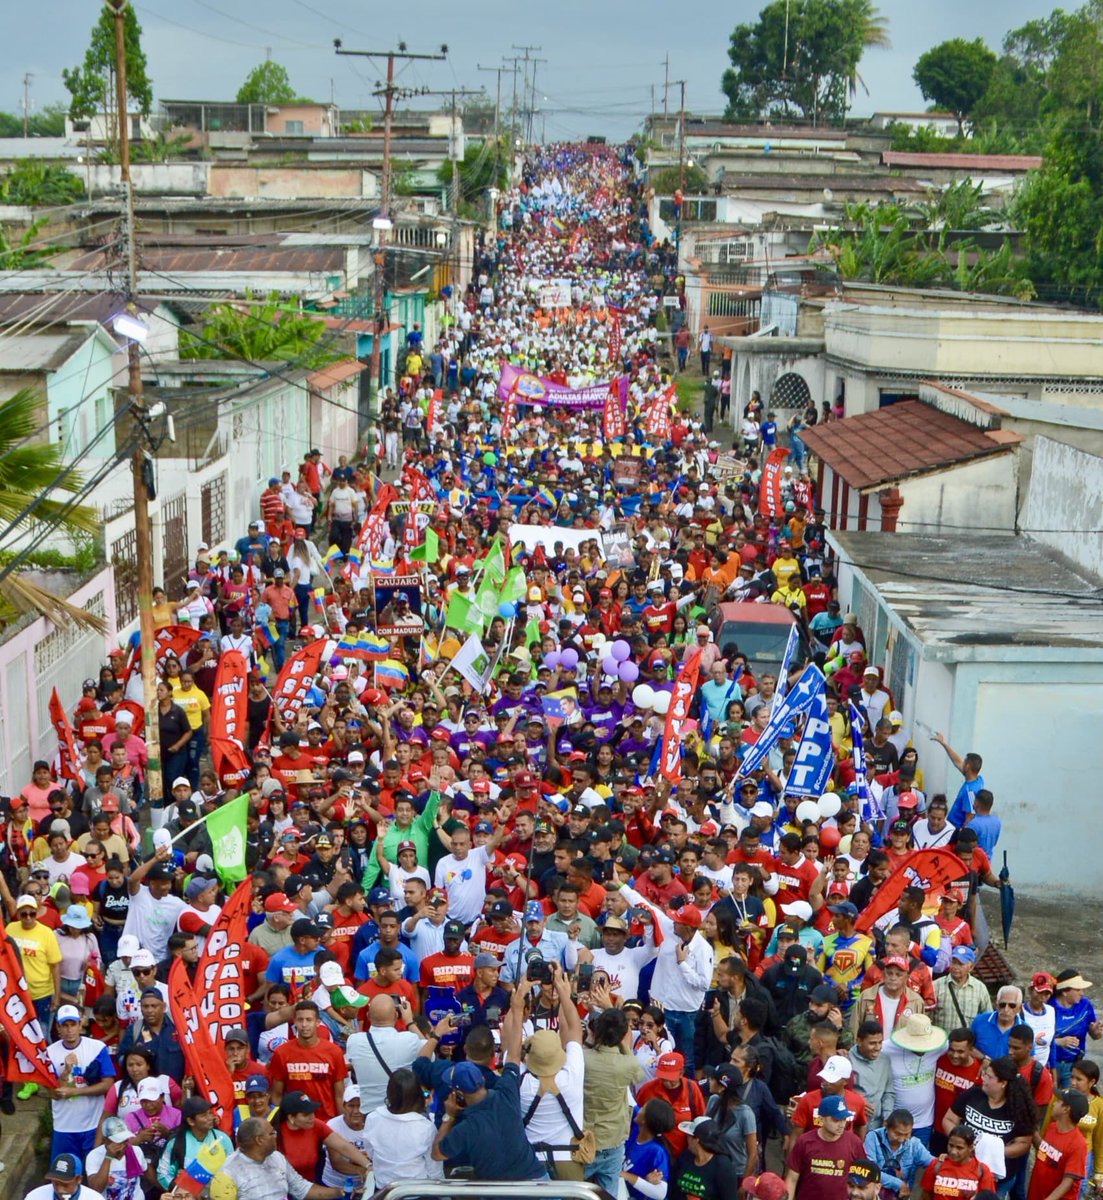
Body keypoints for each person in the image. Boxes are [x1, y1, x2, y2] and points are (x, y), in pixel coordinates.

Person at [517, 965, 587, 1180]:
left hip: (530, 1162)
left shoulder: (521, 1082)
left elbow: (511, 1042)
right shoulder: (571, 1076)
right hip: (567, 1159)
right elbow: (573, 1030)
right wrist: (564, 992)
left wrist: (520, 994)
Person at [944, 1056, 1038, 1198]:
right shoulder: (973, 1094)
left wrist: (994, 1152)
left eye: (989, 1077)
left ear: (1003, 1083)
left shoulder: (1017, 1107)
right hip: (964, 1173)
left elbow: (1024, 1143)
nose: (984, 1079)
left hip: (999, 1180)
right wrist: (961, 1145)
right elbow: (949, 1119)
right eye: (985, 1074)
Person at [584, 1004, 646, 1194]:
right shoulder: (628, 1063)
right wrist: (624, 1044)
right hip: (613, 1140)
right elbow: (639, 1076)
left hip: (584, 1140)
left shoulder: (582, 1057)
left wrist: (590, 1040)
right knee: (609, 1195)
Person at [46, 1003, 116, 1160]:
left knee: (92, 1172)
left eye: (73, 1024)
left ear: (80, 1024)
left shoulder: (97, 1048)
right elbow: (54, 1093)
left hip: (92, 1125)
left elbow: (108, 1084)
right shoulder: (49, 1053)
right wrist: (65, 1072)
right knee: (63, 1175)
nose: (69, 1030)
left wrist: (75, 1091)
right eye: (65, 1025)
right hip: (64, 1126)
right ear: (58, 1027)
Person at [218, 1116, 345, 1200]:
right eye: (272, 1133)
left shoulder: (277, 1158)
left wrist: (340, 1192)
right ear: (259, 1140)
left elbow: (301, 1188)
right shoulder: (228, 1172)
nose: (276, 1136)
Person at [268, 1000, 348, 1119]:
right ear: (294, 1022)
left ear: (318, 1022)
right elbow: (277, 1095)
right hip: (295, 1122)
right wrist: (278, 1124)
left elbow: (339, 1096)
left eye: (309, 1020)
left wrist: (342, 1124)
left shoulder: (334, 1052)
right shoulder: (281, 1053)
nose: (304, 1025)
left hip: (326, 1121)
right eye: (300, 1020)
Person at [346, 994, 425, 1115]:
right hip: (402, 1113)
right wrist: (409, 1022)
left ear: (368, 1016)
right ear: (396, 1015)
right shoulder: (409, 1040)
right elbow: (429, 1054)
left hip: (370, 1116)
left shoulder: (354, 1041)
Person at [785, 1092, 867, 1200]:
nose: (842, 1124)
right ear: (822, 1119)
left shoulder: (854, 1143)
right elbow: (792, 1179)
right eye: (836, 1120)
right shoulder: (804, 1142)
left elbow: (864, 1179)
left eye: (844, 1119)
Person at [1027, 1089, 1090, 1200]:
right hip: (1036, 1193)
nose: (1054, 1103)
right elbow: (1044, 1150)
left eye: (1059, 1101)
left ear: (1066, 1109)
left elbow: (1068, 1182)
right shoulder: (1052, 1127)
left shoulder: (1078, 1144)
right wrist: (1030, 1127)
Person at [864, 1108, 935, 1198]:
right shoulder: (873, 1137)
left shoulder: (914, 1144)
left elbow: (932, 1163)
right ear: (886, 1125)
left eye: (906, 1135)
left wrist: (945, 1161)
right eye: (897, 1134)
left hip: (901, 1196)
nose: (901, 1139)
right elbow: (870, 1171)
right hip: (874, 1195)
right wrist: (899, 1184)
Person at [916, 1125, 996, 1200]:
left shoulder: (982, 1170)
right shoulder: (936, 1165)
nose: (953, 1151)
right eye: (951, 1146)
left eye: (959, 1148)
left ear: (971, 1147)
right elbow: (925, 1196)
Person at [670, 1116, 740, 1200]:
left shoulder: (723, 1167)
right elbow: (673, 1188)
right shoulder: (685, 1157)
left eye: (689, 1136)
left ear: (697, 1140)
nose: (686, 1138)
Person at [622, 1097, 677, 1200]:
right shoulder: (637, 1130)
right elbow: (629, 1099)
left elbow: (660, 1193)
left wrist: (625, 1175)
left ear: (645, 1120)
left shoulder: (656, 1152)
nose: (640, 1108)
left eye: (643, 1108)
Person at [25, 1153, 105, 1200]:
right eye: (56, 1183)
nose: (60, 1190)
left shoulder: (95, 1198)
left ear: (78, 1179)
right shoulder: (34, 1197)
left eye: (65, 1185)